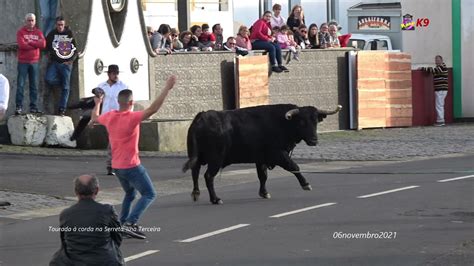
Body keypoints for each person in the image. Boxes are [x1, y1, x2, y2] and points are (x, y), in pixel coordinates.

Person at [91, 75, 177, 239]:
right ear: (131, 103)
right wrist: (167, 88)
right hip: (131, 166)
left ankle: (122, 225)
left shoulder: (109, 116)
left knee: (130, 194)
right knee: (149, 194)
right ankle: (130, 223)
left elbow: (94, 118)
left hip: (116, 166)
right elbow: (153, 109)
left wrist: (98, 103)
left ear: (118, 102)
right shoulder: (132, 117)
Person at [49, 174, 124, 265]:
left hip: (74, 262)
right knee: (117, 255)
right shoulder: (107, 210)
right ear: (96, 190)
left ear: (76, 191)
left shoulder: (65, 214)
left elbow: (64, 242)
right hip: (104, 261)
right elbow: (117, 237)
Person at [97, 64, 129, 175]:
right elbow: (98, 102)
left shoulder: (123, 86)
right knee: (113, 141)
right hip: (107, 117)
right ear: (109, 74)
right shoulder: (102, 86)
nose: (115, 76)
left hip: (119, 117)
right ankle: (113, 165)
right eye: (113, 73)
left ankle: (112, 165)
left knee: (114, 141)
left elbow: (129, 101)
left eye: (116, 73)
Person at [45, 16, 78, 116]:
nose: (60, 27)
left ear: (64, 25)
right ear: (56, 25)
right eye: (58, 25)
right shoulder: (52, 34)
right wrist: (50, 55)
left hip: (66, 64)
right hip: (55, 63)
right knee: (49, 79)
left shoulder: (69, 34)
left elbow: (75, 49)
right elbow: (46, 46)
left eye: (62, 25)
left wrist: (71, 60)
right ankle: (62, 82)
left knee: (66, 88)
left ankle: (62, 109)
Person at [15, 13, 46, 115]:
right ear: (25, 21)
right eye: (29, 20)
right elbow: (22, 45)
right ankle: (19, 107)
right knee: (20, 85)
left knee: (34, 86)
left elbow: (43, 44)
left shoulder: (38, 32)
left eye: (32, 20)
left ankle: (33, 107)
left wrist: (30, 42)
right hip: (23, 62)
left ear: (35, 21)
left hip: (34, 62)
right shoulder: (20, 32)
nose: (31, 22)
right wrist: (35, 45)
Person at [419, 55, 449, 126]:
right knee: (440, 105)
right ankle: (441, 120)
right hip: (441, 89)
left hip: (441, 89)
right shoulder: (441, 67)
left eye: (438, 60)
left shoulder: (442, 67)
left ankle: (440, 121)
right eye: (436, 60)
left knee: (439, 105)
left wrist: (422, 68)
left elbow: (433, 71)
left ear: (442, 60)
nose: (437, 61)